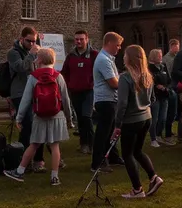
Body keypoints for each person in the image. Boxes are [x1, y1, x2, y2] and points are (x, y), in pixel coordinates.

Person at [4, 48, 72, 186]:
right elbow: (65, 99)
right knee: (54, 146)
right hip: (56, 114)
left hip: (39, 115)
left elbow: (26, 99)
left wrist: (19, 117)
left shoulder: (33, 77)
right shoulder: (58, 76)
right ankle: (54, 177)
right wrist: (69, 118)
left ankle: (20, 171)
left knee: (34, 144)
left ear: (39, 60)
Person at [112, 45, 164, 198]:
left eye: (125, 55)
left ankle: (137, 189)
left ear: (130, 58)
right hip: (146, 117)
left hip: (131, 120)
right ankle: (154, 177)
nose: (123, 57)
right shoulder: (147, 75)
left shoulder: (125, 78)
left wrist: (117, 125)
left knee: (127, 154)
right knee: (138, 151)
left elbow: (121, 104)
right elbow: (153, 99)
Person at [8, 27, 52, 172]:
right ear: (21, 39)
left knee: (39, 124)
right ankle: (22, 160)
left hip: (35, 92)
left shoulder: (35, 51)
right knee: (27, 125)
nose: (32, 44)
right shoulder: (13, 53)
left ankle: (38, 160)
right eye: (29, 41)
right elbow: (20, 68)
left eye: (34, 41)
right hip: (20, 92)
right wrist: (31, 55)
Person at [91, 32, 125, 172]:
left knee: (111, 130)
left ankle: (112, 156)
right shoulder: (104, 60)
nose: (119, 48)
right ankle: (97, 163)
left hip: (110, 99)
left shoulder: (108, 58)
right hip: (105, 100)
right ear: (109, 43)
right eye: (117, 45)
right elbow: (113, 83)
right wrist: (126, 81)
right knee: (103, 132)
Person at [60, 30, 98, 154]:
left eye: (81, 39)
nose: (79, 41)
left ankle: (92, 144)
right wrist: (68, 84)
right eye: (77, 39)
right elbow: (64, 72)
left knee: (87, 117)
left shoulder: (94, 55)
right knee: (80, 119)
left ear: (87, 39)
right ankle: (83, 144)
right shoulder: (71, 56)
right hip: (75, 91)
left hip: (89, 91)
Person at [148, 49, 173, 147]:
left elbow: (169, 80)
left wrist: (166, 88)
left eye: (161, 55)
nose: (161, 57)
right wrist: (157, 86)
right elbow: (150, 82)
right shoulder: (149, 68)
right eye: (159, 55)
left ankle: (159, 135)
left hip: (164, 95)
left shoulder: (163, 67)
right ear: (153, 57)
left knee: (163, 118)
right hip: (155, 97)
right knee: (154, 118)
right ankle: (153, 139)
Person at [162, 39, 180, 143]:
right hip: (170, 86)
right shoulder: (166, 58)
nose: (177, 49)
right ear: (171, 46)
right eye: (176, 47)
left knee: (175, 111)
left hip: (177, 85)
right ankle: (167, 132)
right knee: (170, 111)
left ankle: (171, 130)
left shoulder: (177, 57)